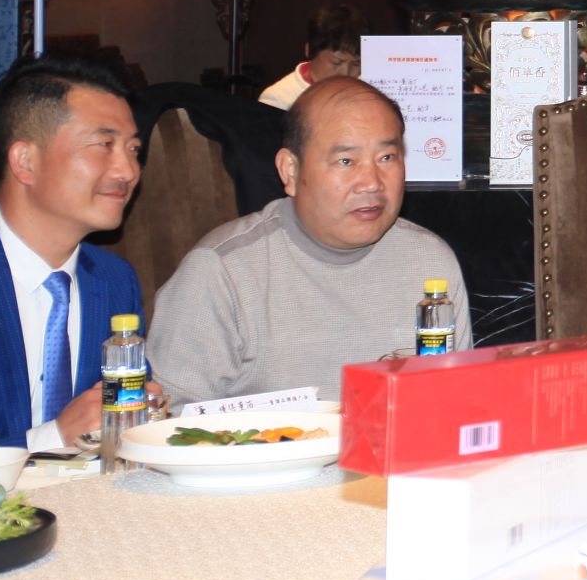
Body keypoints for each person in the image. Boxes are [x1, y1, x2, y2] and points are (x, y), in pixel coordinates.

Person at [150, 78, 472, 407]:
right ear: (290, 171)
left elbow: (457, 401)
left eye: (387, 157)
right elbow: (171, 421)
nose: (372, 182)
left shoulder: (429, 261)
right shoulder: (221, 272)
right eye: (346, 161)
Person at [0, 56, 145, 452]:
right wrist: (51, 438)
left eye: (133, 149)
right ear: (25, 161)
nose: (128, 170)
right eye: (104, 145)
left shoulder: (115, 280)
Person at [258, 2, 364, 110]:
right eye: (337, 62)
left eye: (356, 64)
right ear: (310, 51)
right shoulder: (278, 99)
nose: (346, 73)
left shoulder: (366, 91)